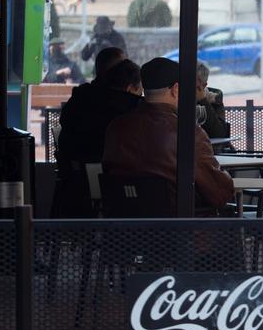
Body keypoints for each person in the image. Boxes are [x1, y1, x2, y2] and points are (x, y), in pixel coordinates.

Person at [102, 57, 233, 215]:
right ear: (176, 89)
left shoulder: (116, 128)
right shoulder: (188, 133)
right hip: (179, 232)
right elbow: (220, 193)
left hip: (125, 231)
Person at [53, 56, 143, 218]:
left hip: (75, 183)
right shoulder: (129, 110)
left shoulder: (82, 98)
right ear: (131, 88)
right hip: (110, 187)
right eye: (139, 91)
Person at [195, 61, 230, 140]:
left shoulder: (213, 98)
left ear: (203, 86)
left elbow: (219, 133)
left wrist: (202, 100)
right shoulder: (174, 97)